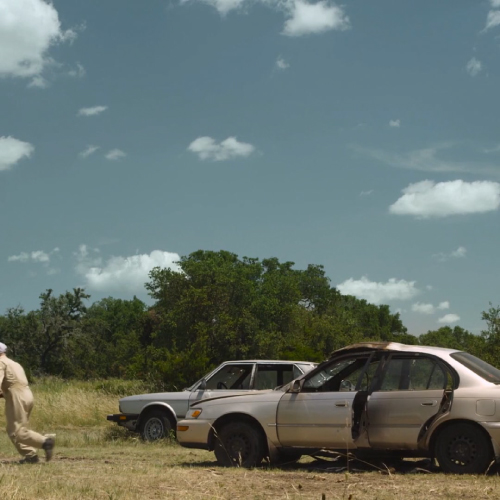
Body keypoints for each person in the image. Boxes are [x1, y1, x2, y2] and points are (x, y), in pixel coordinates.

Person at [0, 342, 55, 464]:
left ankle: (45, 442)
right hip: (27, 394)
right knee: (16, 428)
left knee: (17, 431)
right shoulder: (14, 363)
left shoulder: (1, 363)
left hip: (16, 396)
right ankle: (30, 456)